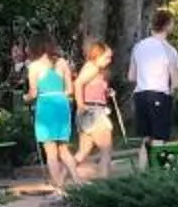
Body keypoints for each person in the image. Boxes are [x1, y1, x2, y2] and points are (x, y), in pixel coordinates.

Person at [26, 34, 77, 187]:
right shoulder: (62, 62)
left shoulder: (34, 66)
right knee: (63, 148)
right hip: (62, 104)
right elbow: (70, 89)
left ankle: (58, 187)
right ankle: (77, 181)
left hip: (46, 105)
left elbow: (33, 93)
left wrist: (25, 98)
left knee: (51, 151)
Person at [129, 9, 178, 150]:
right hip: (159, 94)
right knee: (159, 138)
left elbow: (131, 76)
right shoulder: (169, 50)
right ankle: (156, 171)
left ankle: (142, 170)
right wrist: (172, 93)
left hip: (140, 95)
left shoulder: (138, 47)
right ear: (168, 25)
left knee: (145, 139)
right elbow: (175, 83)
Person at [73, 37, 117, 175]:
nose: (109, 61)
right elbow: (78, 83)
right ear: (97, 55)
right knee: (106, 150)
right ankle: (104, 183)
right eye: (107, 57)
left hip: (90, 110)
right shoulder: (93, 67)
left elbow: (91, 87)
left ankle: (61, 177)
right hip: (94, 111)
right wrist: (80, 105)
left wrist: (107, 91)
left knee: (83, 151)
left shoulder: (96, 70)